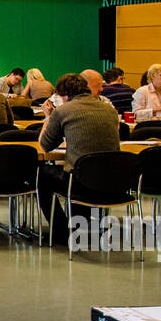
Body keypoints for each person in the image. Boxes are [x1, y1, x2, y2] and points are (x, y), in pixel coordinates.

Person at [38, 72, 121, 246]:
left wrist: (48, 117)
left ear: (65, 95)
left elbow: (44, 145)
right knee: (83, 170)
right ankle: (78, 225)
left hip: (81, 183)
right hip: (114, 181)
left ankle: (60, 232)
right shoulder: (109, 110)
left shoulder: (64, 110)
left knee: (42, 175)